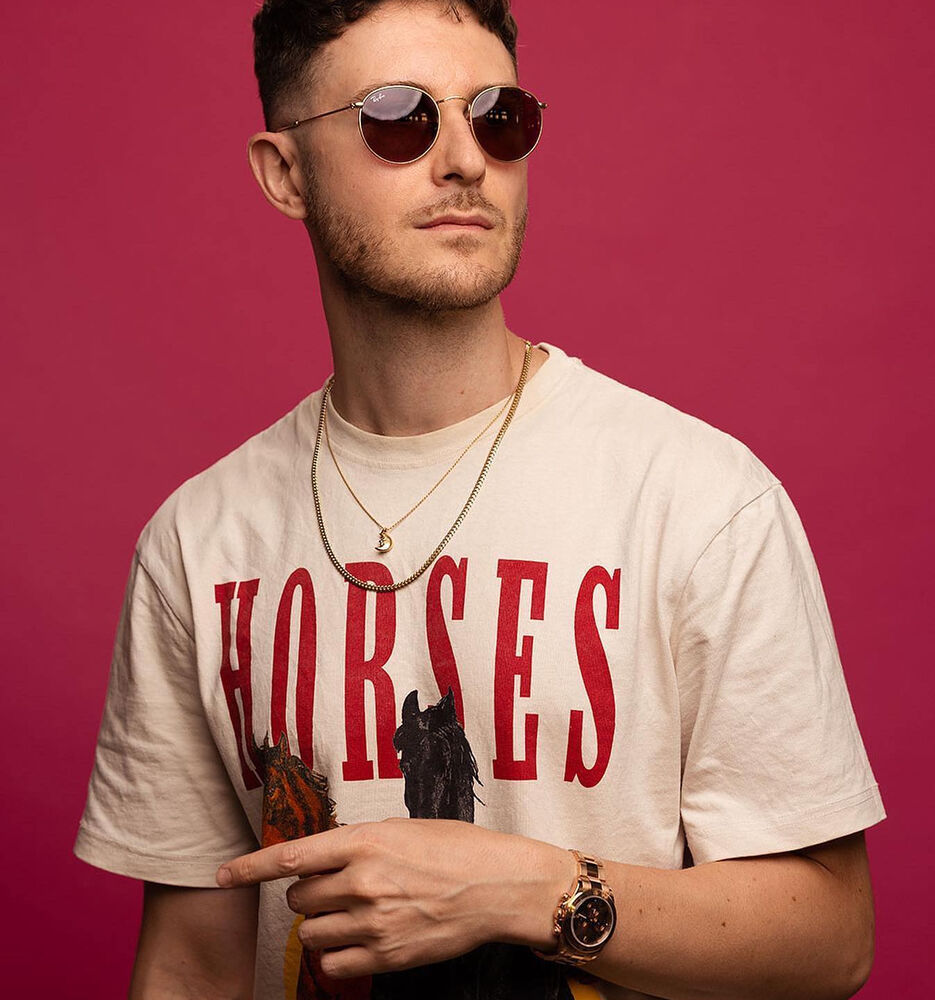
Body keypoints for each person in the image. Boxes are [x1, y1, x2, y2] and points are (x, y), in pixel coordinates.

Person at [73, 2, 887, 998]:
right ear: (285, 173)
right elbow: (193, 962)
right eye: (398, 117)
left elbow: (831, 939)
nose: (466, 161)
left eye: (499, 118)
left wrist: (532, 892)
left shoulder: (701, 502)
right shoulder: (197, 543)